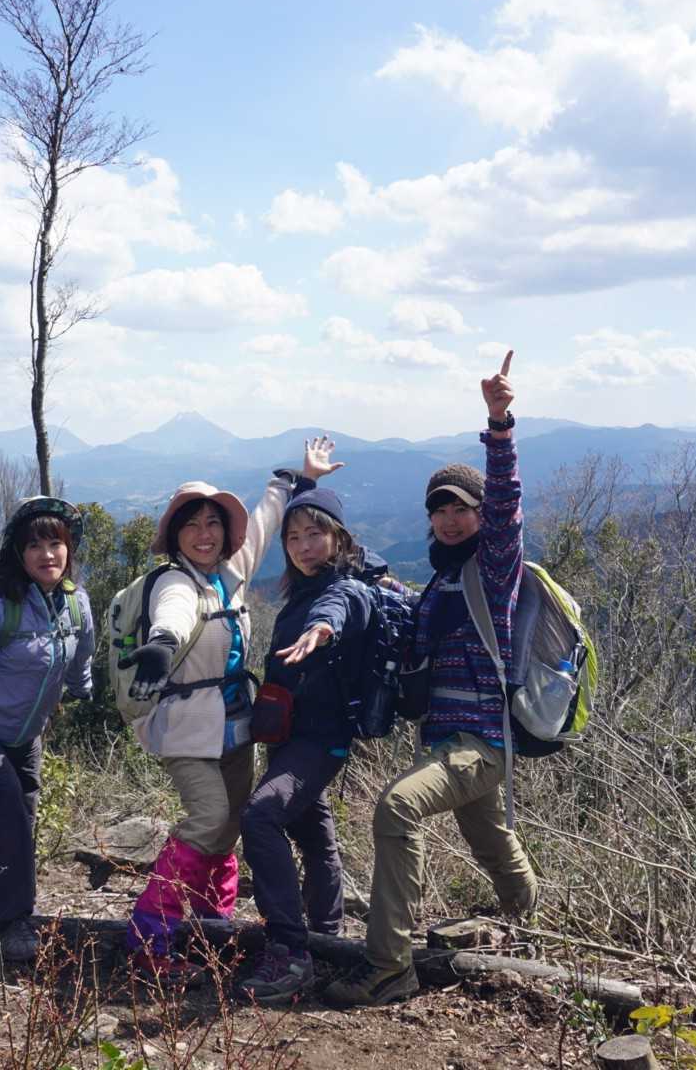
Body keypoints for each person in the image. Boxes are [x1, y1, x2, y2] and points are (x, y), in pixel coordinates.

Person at [323, 353, 538, 1008]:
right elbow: (410, 612)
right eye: (438, 509)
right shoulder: (443, 584)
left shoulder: (494, 571)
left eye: (461, 508)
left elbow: (507, 506)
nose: (448, 518)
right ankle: (532, 922)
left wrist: (499, 425)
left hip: (481, 744)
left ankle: (390, 965)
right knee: (490, 839)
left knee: (397, 806)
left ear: (480, 514)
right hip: (448, 742)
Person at [124, 437, 342, 983]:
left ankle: (209, 928)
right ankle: (149, 942)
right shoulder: (175, 582)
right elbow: (173, 613)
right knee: (207, 820)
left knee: (228, 828)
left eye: (213, 524)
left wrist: (299, 481)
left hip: (235, 728)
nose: (204, 534)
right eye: (192, 525)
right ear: (175, 536)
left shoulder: (229, 573)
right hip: (186, 729)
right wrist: (162, 642)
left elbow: (265, 524)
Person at [237, 473, 393, 1004]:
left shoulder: (346, 589)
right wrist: (306, 481)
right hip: (292, 737)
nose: (304, 547)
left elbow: (339, 609)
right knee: (313, 833)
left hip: (318, 740)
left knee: (261, 816)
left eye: (315, 535)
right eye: (293, 537)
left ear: (339, 538)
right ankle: (326, 934)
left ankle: (289, 951)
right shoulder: (306, 586)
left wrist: (320, 630)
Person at [0, 496, 95, 963]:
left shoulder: (75, 603)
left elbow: (81, 652)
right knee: (9, 809)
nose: (47, 554)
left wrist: (82, 688)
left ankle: (3, 913)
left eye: (55, 543)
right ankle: (14, 923)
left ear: (69, 549)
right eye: (34, 546)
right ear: (18, 553)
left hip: (26, 734)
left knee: (18, 818)